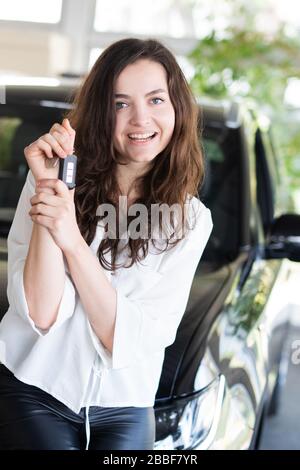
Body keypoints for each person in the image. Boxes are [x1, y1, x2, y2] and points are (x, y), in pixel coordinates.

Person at [0, 38, 213, 450]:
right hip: (35, 389)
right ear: (101, 111)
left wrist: (73, 243)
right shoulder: (51, 179)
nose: (139, 119)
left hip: (127, 405)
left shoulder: (190, 220)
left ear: (177, 109)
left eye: (155, 100)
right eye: (120, 104)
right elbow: (40, 315)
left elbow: (128, 339)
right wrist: (51, 188)